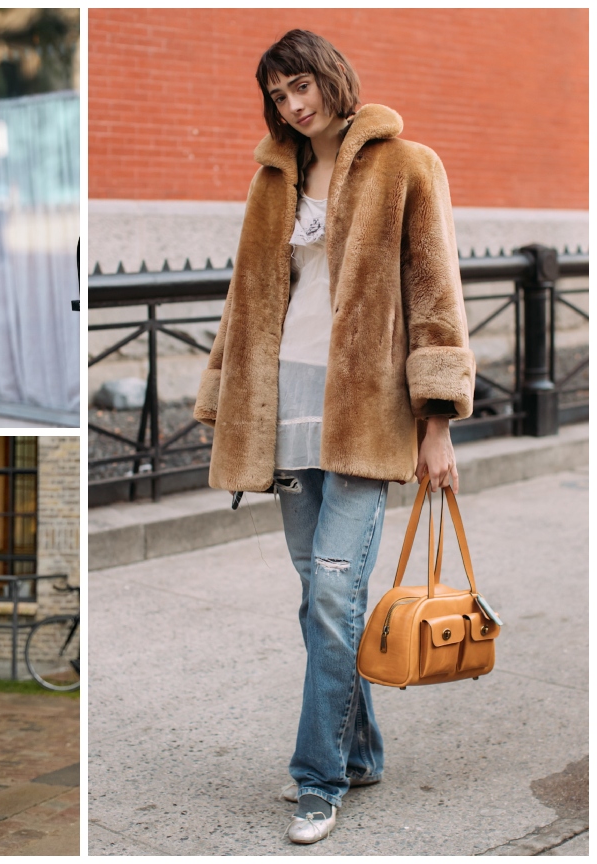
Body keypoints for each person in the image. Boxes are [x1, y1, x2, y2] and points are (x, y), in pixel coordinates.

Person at [193, 30, 473, 845]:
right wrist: (223, 398)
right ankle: (363, 752)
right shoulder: (273, 177)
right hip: (283, 412)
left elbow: (436, 299)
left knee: (331, 595)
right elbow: (245, 302)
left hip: (363, 417)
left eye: (302, 85)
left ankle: (318, 780)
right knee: (325, 603)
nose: (294, 103)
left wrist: (437, 424)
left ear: (332, 78)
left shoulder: (407, 163)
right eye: (278, 94)